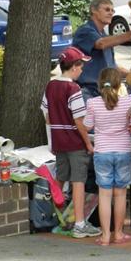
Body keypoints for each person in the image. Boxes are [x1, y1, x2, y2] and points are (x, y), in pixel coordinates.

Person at [41, 47, 101, 239]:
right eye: (81, 65)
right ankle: (80, 224)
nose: (82, 69)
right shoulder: (73, 89)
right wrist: (88, 144)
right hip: (74, 142)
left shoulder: (51, 86)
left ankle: (55, 216)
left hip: (58, 141)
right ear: (74, 67)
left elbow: (46, 113)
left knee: (61, 177)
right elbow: (79, 120)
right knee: (78, 181)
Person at [83, 68, 131, 246]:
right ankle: (119, 233)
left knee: (104, 195)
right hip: (123, 150)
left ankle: (105, 235)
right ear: (119, 84)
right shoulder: (129, 101)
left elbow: (87, 125)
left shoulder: (92, 103)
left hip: (102, 152)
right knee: (120, 194)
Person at [73, 0, 131, 101]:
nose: (111, 13)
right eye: (107, 9)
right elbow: (101, 44)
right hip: (88, 92)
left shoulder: (104, 35)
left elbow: (111, 66)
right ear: (93, 10)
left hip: (105, 92)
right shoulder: (85, 31)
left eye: (112, 10)